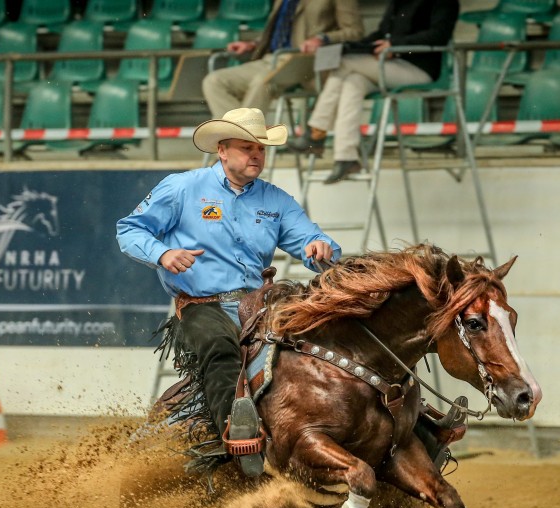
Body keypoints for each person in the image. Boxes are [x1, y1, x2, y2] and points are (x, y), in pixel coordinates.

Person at [116, 107, 342, 478]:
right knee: (221, 348)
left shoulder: (276, 201)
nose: (255, 155)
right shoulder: (182, 188)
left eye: (260, 149)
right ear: (222, 150)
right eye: (245, 148)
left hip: (259, 305)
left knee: (317, 345)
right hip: (203, 305)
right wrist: (164, 253)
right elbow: (130, 230)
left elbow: (313, 240)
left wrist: (321, 248)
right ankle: (236, 447)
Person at [286, 0, 460, 184]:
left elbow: (439, 35)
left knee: (343, 63)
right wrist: (361, 46)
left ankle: (316, 133)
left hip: (419, 69)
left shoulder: (444, 2)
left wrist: (396, 45)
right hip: (390, 65)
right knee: (352, 82)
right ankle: (346, 157)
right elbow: (381, 33)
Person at [201, 0, 364, 119]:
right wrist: (253, 44)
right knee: (214, 81)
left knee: (263, 81)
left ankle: (237, 147)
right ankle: (240, 142)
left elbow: (355, 31)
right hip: (271, 58)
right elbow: (279, 32)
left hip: (304, 60)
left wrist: (323, 38)